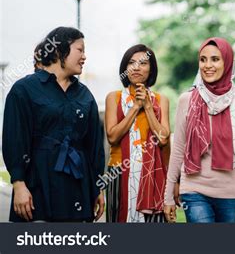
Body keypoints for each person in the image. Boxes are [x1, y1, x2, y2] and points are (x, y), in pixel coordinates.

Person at [2, 26, 105, 222]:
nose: (84, 56)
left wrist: (97, 187)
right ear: (59, 50)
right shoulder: (24, 90)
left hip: (78, 187)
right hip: (37, 185)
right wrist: (18, 184)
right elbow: (14, 139)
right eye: (80, 50)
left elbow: (94, 147)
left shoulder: (85, 95)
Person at [163, 37, 235, 223]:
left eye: (215, 59)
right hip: (194, 190)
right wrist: (168, 195)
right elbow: (178, 149)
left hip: (231, 192)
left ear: (227, 62)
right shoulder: (187, 100)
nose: (207, 65)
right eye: (203, 59)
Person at [104, 44, 170, 222]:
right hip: (119, 171)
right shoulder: (114, 97)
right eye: (131, 63)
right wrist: (135, 107)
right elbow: (112, 137)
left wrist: (148, 106)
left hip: (152, 173)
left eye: (143, 63)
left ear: (151, 69)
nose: (136, 68)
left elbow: (163, 139)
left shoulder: (160, 100)